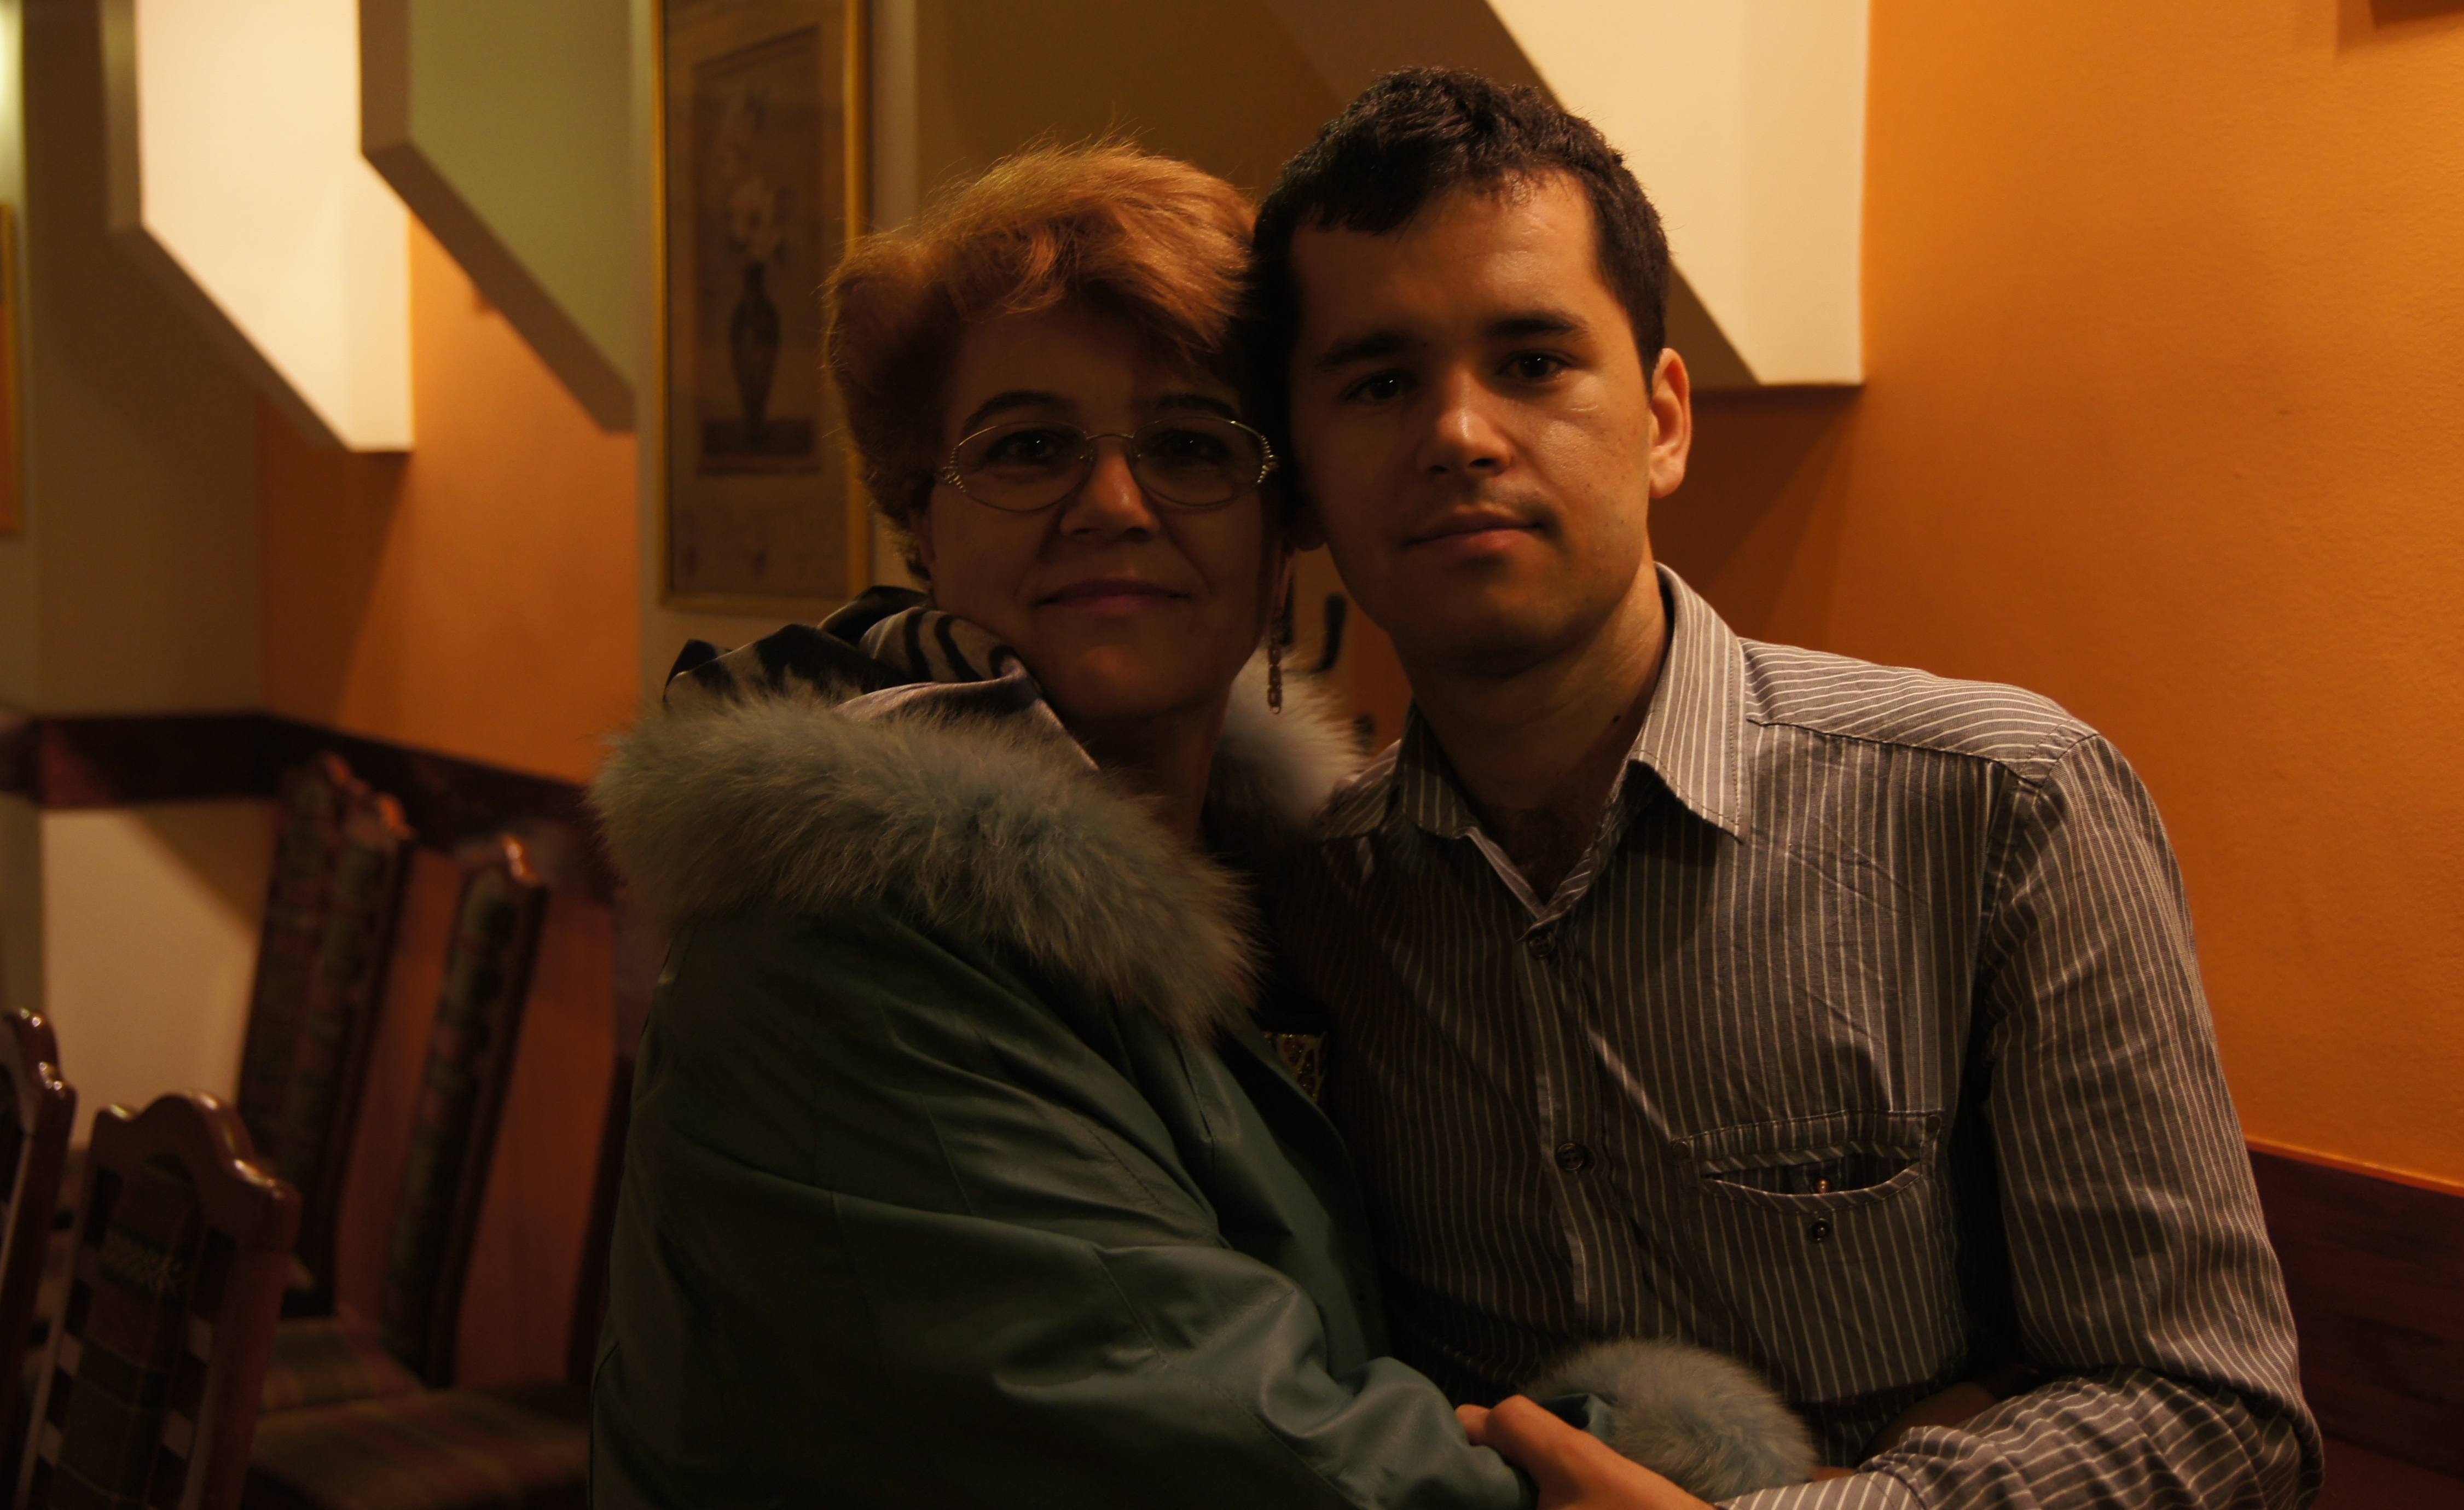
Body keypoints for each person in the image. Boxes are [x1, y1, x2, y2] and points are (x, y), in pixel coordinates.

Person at [586, 142, 1806, 1510]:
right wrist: (1681, 1456)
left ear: (1286, 521)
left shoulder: (1301, 898)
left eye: (1189, 446)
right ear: (920, 517)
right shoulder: (837, 943)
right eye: (1027, 448)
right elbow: (1241, 1455)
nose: (1113, 506)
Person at [1251, 69, 2321, 1509]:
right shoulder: (1315, 907)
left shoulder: (2001, 808)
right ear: (1303, 485)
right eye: (1379, 382)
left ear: (1663, 420)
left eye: (1533, 360)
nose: (1459, 432)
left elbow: (2217, 1415)